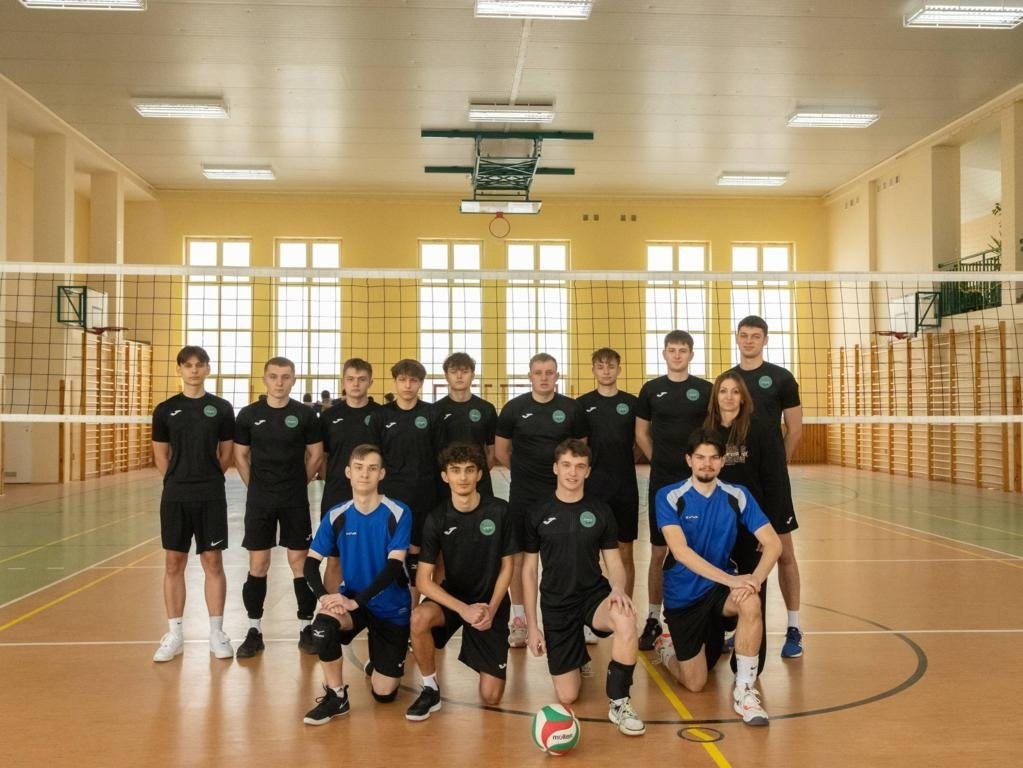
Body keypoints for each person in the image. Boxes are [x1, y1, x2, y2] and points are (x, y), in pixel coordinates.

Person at [653, 428, 781, 726]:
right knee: (695, 682)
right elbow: (681, 552)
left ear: (723, 462)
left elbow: (774, 544)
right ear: (689, 460)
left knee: (750, 601)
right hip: (683, 597)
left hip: (719, 592)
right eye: (700, 457)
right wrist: (733, 580)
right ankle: (666, 647)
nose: (707, 464)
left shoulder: (737, 495)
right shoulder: (669, 496)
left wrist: (754, 579)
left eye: (713, 458)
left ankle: (745, 690)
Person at [522, 439, 644, 736]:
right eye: (566, 465)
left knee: (625, 617)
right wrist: (532, 626)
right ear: (555, 468)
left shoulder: (600, 511)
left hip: (593, 596)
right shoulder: (538, 512)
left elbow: (615, 563)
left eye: (579, 466)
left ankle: (619, 701)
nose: (572, 472)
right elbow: (528, 571)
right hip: (557, 604)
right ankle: (577, 656)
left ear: (588, 471)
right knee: (568, 696)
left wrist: (618, 589)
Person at [301, 444, 412, 725]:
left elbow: (394, 567)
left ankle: (381, 659)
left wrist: (356, 601)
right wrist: (325, 598)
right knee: (322, 626)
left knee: (384, 694)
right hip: (354, 602)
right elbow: (310, 563)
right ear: (348, 472)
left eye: (372, 468)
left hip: (391, 608)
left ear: (381, 474)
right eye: (359, 468)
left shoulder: (398, 512)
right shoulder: (336, 515)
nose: (365, 474)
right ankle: (337, 696)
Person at [406, 443, 517, 720]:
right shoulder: (437, 518)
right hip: (454, 599)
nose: (463, 477)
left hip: (490, 602)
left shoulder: (500, 511)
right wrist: (463, 610)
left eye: (469, 470)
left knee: (491, 697)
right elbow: (423, 581)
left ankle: (485, 653)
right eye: (455, 471)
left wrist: (492, 608)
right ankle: (430, 688)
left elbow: (508, 567)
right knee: (419, 618)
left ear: (480, 474)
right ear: (445, 476)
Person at [495, 353, 588, 648]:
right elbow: (501, 451)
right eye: (538, 372)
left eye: (550, 372)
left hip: (562, 496)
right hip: (524, 495)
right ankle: (519, 619)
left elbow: (580, 452)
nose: (544, 377)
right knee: (520, 557)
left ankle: (577, 616)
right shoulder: (514, 408)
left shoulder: (571, 409)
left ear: (557, 376)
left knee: (567, 555)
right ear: (530, 376)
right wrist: (525, 473)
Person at [234, 356, 324, 659]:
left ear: (294, 380)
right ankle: (254, 630)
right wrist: (256, 487)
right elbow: (240, 456)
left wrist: (299, 484)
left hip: (293, 499)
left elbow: (315, 455)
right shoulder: (249, 414)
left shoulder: (305, 414)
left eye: (286, 377)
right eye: (273, 376)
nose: (279, 382)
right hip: (260, 500)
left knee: (300, 562)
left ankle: (305, 628)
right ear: (265, 379)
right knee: (258, 564)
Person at [704, 371, 794, 673]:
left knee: (753, 590)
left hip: (750, 527)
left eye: (735, 391)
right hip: (715, 527)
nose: (729, 397)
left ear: (743, 397)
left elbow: (775, 481)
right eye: (723, 391)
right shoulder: (706, 432)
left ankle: (750, 663)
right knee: (713, 587)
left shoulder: (761, 429)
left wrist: (769, 530)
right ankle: (713, 643)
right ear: (715, 397)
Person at [151, 346, 236, 662]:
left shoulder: (221, 408)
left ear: (208, 369)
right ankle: (175, 634)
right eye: (188, 365)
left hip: (211, 494)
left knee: (213, 562)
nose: (194, 370)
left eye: (200, 365)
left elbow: (227, 452)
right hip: (175, 495)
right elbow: (160, 454)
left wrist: (209, 477)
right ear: (179, 369)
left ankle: (216, 633)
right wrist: (177, 480)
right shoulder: (165, 410)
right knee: (173, 562)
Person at [729, 315, 804, 658]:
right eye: (744, 335)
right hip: (737, 480)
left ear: (765, 340)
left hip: (772, 482)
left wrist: (777, 465)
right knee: (741, 556)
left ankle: (794, 627)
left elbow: (795, 429)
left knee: (784, 552)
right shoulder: (728, 381)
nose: (749, 341)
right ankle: (742, 626)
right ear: (737, 338)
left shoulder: (781, 378)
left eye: (755, 336)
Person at [634, 331, 711, 650]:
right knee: (659, 551)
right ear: (664, 354)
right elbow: (641, 433)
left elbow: (711, 432)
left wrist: (699, 466)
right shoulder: (651, 389)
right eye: (672, 350)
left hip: (698, 483)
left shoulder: (705, 389)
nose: (677, 355)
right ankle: (654, 618)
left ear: (691, 354)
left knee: (700, 549)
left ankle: (702, 617)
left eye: (682, 350)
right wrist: (660, 460)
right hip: (663, 483)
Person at [367, 359, 441, 593]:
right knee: (391, 551)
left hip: (425, 494)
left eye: (413, 380)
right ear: (395, 382)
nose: (408, 385)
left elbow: (440, 455)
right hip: (391, 495)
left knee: (419, 553)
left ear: (421, 383)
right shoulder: (381, 415)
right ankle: (387, 605)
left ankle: (414, 607)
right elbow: (373, 457)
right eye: (402, 380)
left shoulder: (432, 413)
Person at [577, 347, 640, 599]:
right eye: (600, 366)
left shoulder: (632, 403)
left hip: (625, 487)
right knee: (589, 550)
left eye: (611, 366)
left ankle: (627, 606)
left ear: (619, 370)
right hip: (593, 488)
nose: (606, 371)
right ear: (593, 370)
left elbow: (638, 443)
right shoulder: (582, 404)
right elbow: (580, 447)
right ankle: (591, 609)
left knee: (625, 551)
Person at [319, 359, 381, 592]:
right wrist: (334, 479)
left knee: (375, 557)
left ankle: (371, 610)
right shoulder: (329, 416)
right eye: (351, 379)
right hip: (337, 493)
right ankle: (332, 610)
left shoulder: (381, 415)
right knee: (335, 559)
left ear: (370, 382)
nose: (356, 384)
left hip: (373, 496)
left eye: (362, 379)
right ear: (342, 382)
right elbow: (322, 457)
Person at [433, 352, 498, 498]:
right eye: (454, 372)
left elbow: (492, 451)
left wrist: (474, 474)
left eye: (464, 371)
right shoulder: (435, 410)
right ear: (446, 376)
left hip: (479, 481)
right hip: (446, 482)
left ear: (473, 375)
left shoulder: (486, 409)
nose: (459, 376)